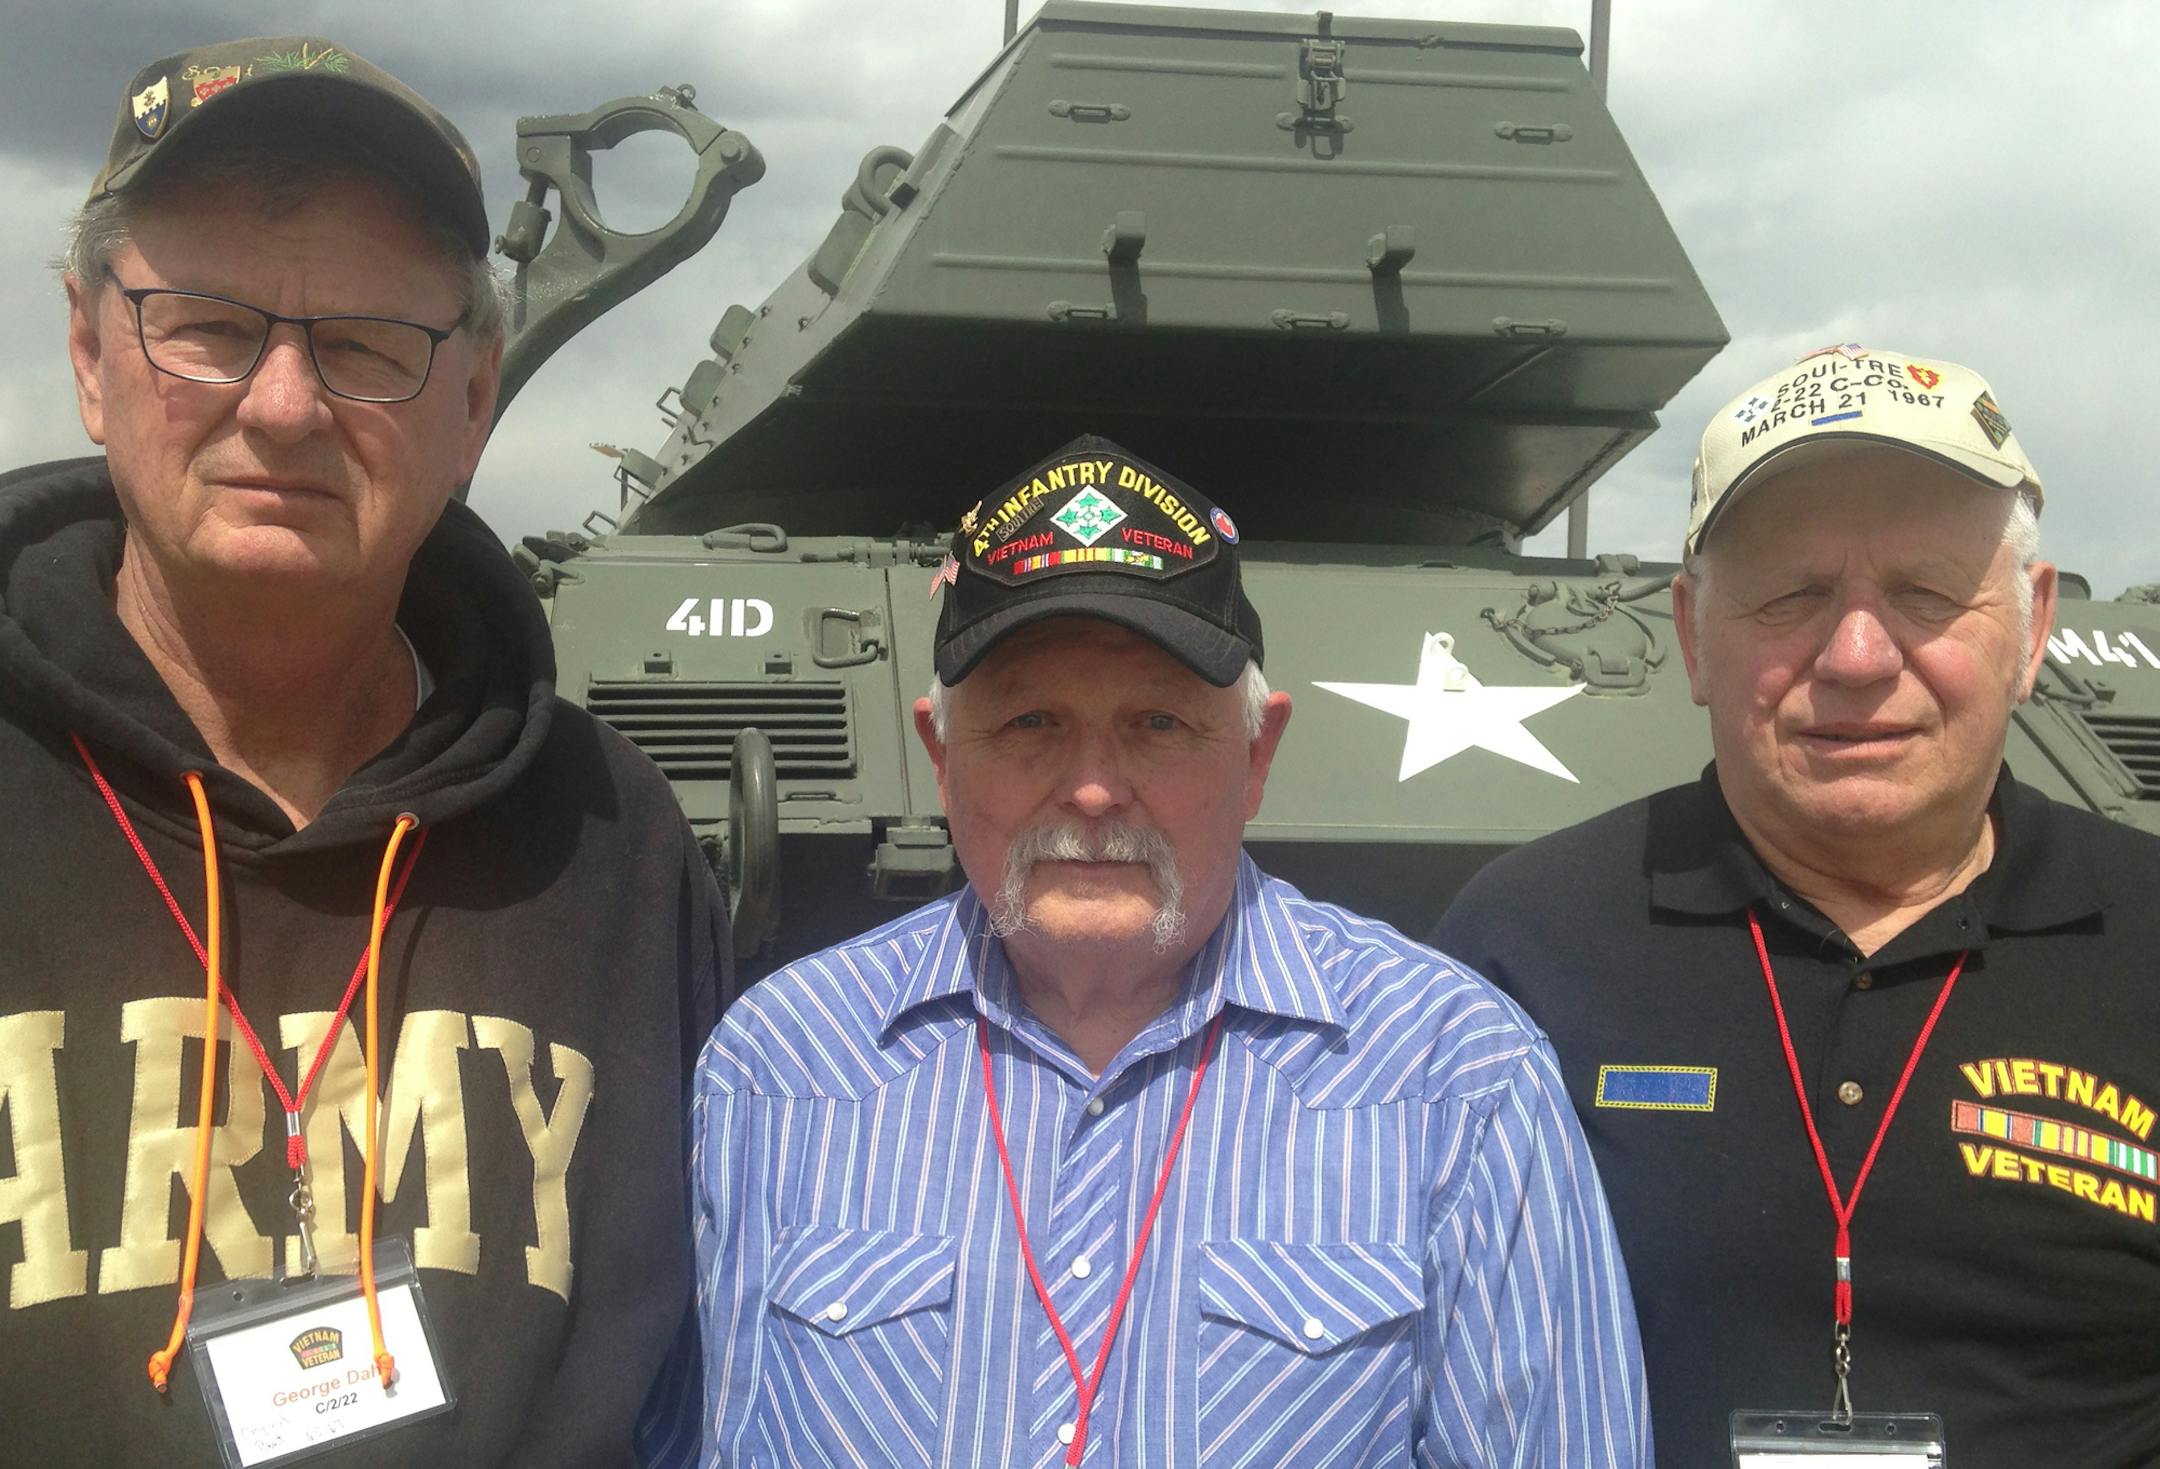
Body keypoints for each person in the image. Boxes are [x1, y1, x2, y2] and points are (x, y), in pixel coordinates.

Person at [0, 37, 728, 1465]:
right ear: (91, 352)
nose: (285, 405)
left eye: (367, 346)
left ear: (473, 400)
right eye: (204, 323)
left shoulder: (610, 846)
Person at [685, 434, 1648, 1467]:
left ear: (1257, 753)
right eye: (1029, 721)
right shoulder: (781, 1067)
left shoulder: (1456, 1078)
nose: (1093, 788)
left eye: (1157, 721)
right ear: (939, 755)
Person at [1435, 346, 2160, 1465]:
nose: (1859, 655)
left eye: (1926, 592)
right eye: (1791, 595)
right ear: (1689, 633)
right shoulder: (1523, 945)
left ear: (2033, 624)